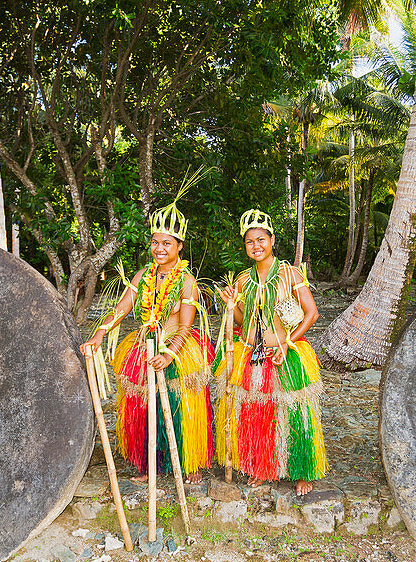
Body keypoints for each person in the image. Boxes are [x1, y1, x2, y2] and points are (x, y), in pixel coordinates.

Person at [81, 201, 213, 483]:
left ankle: (190, 464)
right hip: (144, 346)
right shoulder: (143, 276)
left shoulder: (186, 280)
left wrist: (169, 355)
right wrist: (99, 334)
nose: (159, 248)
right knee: (144, 406)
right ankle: (151, 463)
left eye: (167, 243)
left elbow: (187, 325)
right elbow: (121, 310)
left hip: (177, 348)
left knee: (181, 407)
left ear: (179, 246)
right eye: (155, 242)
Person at [214, 209, 327, 496]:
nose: (256, 246)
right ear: (245, 246)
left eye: (261, 239)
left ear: (272, 239)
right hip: (252, 354)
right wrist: (231, 303)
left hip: (285, 353)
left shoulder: (290, 273)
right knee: (258, 414)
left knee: (295, 412)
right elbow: (241, 320)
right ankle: (264, 468)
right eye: (250, 241)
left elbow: (311, 314)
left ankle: (303, 472)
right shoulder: (242, 280)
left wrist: (290, 341)